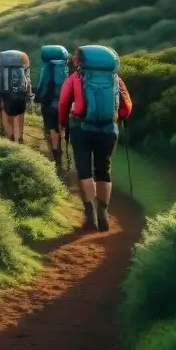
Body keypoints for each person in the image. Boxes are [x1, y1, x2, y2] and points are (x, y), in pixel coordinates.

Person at [58, 46, 133, 232]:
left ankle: (90, 215)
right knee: (103, 169)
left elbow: (63, 103)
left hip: (81, 128)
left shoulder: (74, 79)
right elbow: (127, 107)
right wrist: (117, 116)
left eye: (76, 56)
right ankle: (103, 213)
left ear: (82, 61)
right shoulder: (116, 79)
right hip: (108, 129)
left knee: (84, 170)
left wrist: (62, 124)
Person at [35, 45, 70, 173]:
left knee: (51, 128)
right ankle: (64, 151)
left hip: (49, 104)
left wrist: (38, 97)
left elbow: (42, 85)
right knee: (62, 128)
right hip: (63, 105)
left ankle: (56, 155)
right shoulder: (66, 68)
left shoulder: (46, 68)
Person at [0, 50, 31, 143]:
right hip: (20, 94)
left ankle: (10, 138)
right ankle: (19, 138)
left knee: (6, 115)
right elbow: (28, 81)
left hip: (5, 93)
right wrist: (28, 95)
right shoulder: (24, 61)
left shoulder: (1, 65)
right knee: (19, 117)